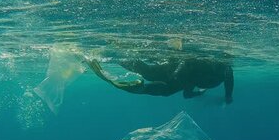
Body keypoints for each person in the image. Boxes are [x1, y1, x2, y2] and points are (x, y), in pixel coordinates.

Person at [86, 57, 234, 104]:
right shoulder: (217, 67)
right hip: (175, 69)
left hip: (180, 77)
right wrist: (228, 95)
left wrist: (199, 94)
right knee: (149, 73)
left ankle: (138, 87)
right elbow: (188, 61)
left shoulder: (206, 80)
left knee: (165, 91)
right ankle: (114, 57)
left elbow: (187, 95)